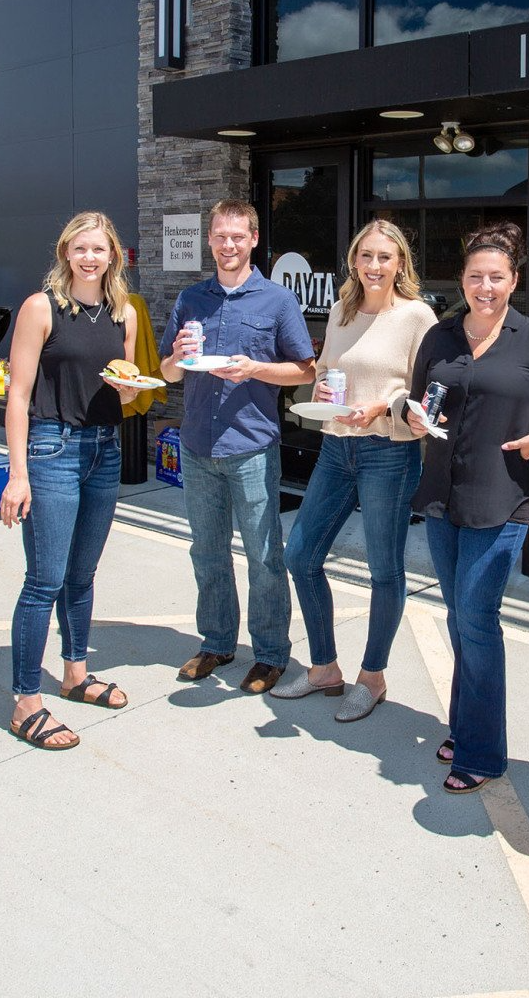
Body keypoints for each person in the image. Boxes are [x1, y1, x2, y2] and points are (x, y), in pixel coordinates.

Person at [404, 221, 529, 793]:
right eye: (476, 277)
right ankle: (466, 725)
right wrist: (414, 418)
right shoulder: (440, 336)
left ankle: (483, 754)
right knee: (458, 616)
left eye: (496, 277)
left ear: (514, 280)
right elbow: (419, 402)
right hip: (442, 496)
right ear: (462, 280)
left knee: (476, 618)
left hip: (501, 498)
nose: (485, 288)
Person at [272, 220, 435, 722]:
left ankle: (372, 677)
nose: (374, 265)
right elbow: (325, 369)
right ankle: (324, 668)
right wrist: (320, 388)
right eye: (366, 255)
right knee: (301, 555)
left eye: (385, 256)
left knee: (384, 570)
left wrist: (382, 406)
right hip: (336, 448)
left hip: (388, 450)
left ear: (400, 262)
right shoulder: (343, 309)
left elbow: (428, 389)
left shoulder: (416, 316)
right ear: (354, 260)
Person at [162, 199, 316, 694]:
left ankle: (270, 654)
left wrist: (255, 369)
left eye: (237, 236)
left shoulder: (278, 301)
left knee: (264, 556)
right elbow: (167, 372)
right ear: (209, 239)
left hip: (251, 446)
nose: (228, 245)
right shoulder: (191, 299)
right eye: (220, 236)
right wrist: (177, 357)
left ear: (253, 240)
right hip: (197, 446)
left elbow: (305, 370)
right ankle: (217, 642)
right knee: (207, 553)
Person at [0, 212, 140, 750]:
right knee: (45, 580)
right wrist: (18, 474)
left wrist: (130, 388)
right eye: (80, 248)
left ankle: (75, 674)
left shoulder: (124, 312)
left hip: (105, 449)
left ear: (112, 256)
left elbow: (128, 387)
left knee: (82, 575)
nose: (89, 258)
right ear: (65, 253)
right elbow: (17, 395)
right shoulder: (41, 308)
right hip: (51, 448)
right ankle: (25, 702)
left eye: (98, 249)